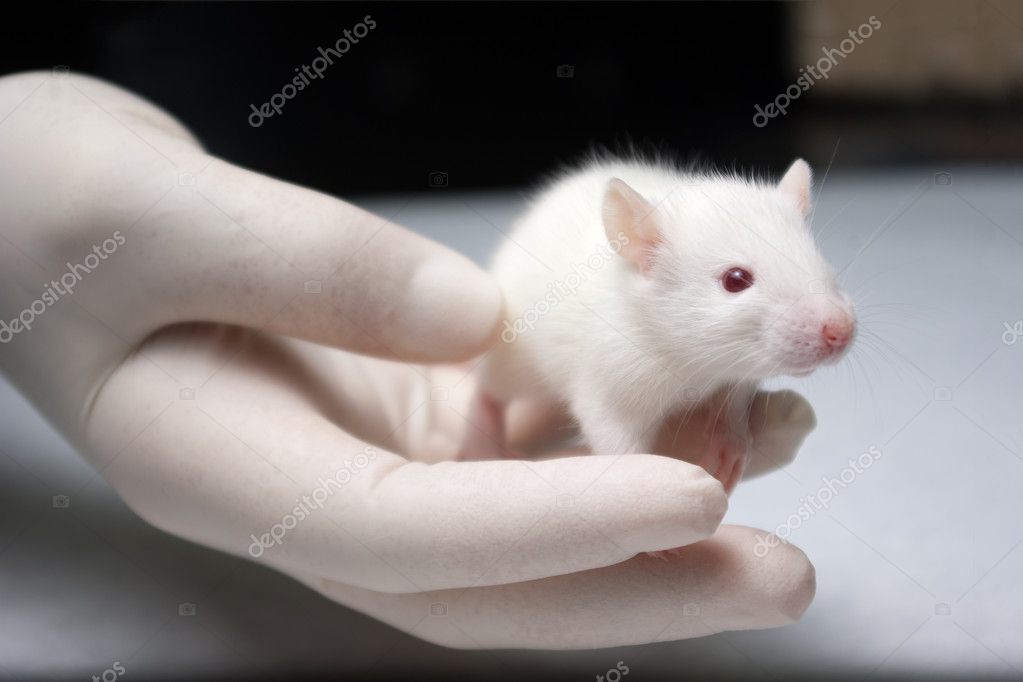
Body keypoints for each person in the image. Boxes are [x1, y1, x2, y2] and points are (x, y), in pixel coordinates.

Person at [0, 70, 815, 649]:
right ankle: (487, 410)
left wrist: (734, 411)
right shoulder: (627, 314)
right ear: (641, 255)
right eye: (739, 283)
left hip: (696, 74)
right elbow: (612, 410)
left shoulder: (731, 237)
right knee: (512, 369)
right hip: (271, 92)